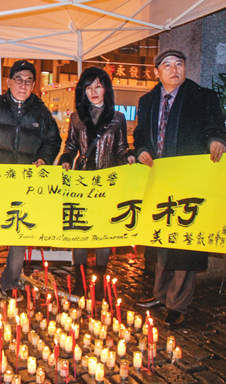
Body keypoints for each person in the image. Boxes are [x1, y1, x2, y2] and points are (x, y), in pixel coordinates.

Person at [133, 49, 226, 327]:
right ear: (156, 72)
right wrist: (141, 150)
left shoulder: (202, 96)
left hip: (190, 179)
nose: (174, 69)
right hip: (160, 179)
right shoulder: (147, 100)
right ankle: (160, 295)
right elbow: (140, 133)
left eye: (179, 64)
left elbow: (215, 126)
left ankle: (178, 303)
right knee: (161, 239)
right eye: (167, 65)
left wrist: (215, 140)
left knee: (186, 241)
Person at [0, 60, 62, 305]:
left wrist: (43, 158)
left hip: (23, 185)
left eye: (29, 81)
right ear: (8, 82)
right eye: (19, 79)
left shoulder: (41, 112)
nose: (23, 84)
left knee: (19, 234)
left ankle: (10, 283)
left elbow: (52, 140)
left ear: (34, 85)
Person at [59, 67, 135, 299]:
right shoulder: (76, 117)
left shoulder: (117, 118)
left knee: (104, 232)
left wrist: (129, 155)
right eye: (89, 87)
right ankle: (80, 281)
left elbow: (121, 146)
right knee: (81, 230)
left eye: (98, 86)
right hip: (82, 182)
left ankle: (100, 282)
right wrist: (65, 160)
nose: (94, 91)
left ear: (106, 89)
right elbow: (71, 146)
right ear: (84, 91)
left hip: (106, 182)